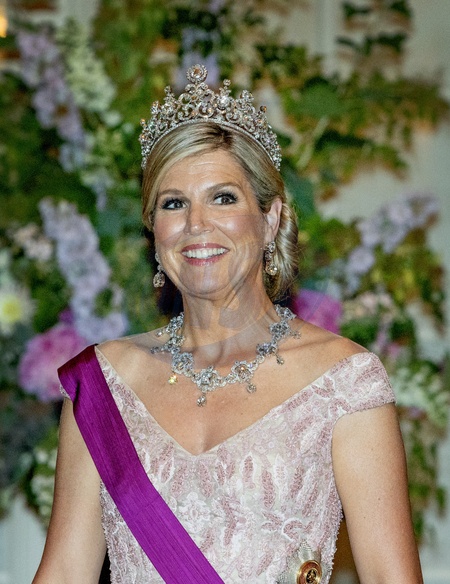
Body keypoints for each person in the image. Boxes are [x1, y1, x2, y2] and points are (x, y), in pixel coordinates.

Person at [33, 64, 423, 584]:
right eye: (174, 203)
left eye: (223, 198)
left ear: (271, 219)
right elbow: (64, 572)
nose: (196, 224)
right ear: (154, 232)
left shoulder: (345, 381)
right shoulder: (103, 383)